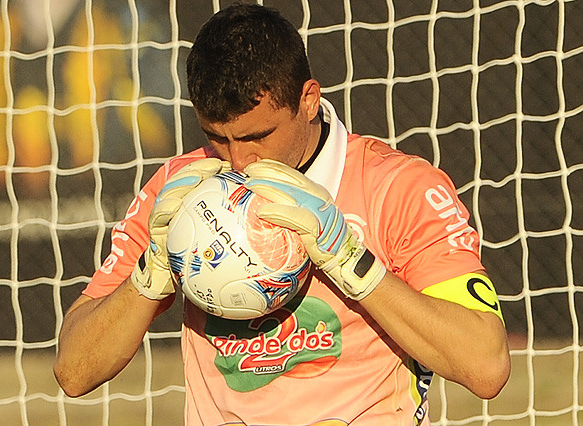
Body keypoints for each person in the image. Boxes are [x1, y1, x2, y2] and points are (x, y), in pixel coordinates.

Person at [54, 4, 510, 425]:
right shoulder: (182, 189)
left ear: (309, 99)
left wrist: (353, 263)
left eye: (257, 136)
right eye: (217, 137)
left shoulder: (399, 187)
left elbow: (486, 366)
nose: (238, 162)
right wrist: (150, 273)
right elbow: (74, 371)